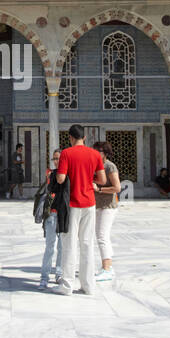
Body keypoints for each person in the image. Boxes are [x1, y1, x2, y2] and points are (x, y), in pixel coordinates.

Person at [56, 125, 105, 296]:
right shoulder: (95, 154)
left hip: (72, 204)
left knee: (69, 244)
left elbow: (61, 179)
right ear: (84, 138)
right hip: (89, 203)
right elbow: (102, 179)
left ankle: (67, 285)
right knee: (87, 244)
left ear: (70, 137)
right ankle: (88, 285)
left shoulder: (66, 154)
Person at [35, 148, 69, 290]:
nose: (56, 162)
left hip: (64, 214)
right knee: (50, 247)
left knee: (62, 247)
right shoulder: (51, 174)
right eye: (54, 159)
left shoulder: (68, 174)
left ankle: (59, 274)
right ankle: (44, 277)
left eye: (58, 159)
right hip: (52, 214)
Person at [93, 141, 122, 282]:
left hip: (108, 206)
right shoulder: (95, 166)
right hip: (97, 205)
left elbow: (117, 188)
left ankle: (107, 269)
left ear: (105, 153)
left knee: (102, 236)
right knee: (101, 235)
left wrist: (99, 189)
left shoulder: (109, 166)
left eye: (99, 151)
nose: (96, 153)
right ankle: (108, 265)